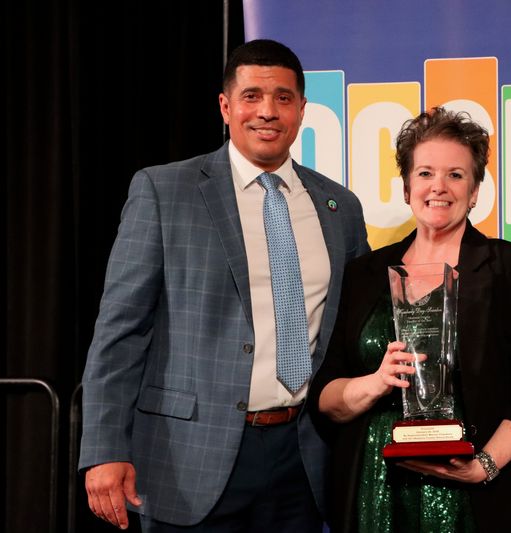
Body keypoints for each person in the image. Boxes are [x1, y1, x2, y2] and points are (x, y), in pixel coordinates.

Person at [79, 39, 369, 532]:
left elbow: (352, 334)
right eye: (252, 96)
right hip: (190, 459)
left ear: (302, 109)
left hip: (304, 460)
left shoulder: (339, 207)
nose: (267, 112)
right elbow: (119, 331)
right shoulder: (164, 191)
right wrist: (105, 448)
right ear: (226, 106)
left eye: (282, 98)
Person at [310, 107, 511, 532]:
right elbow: (325, 395)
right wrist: (377, 381)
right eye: (425, 173)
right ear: (406, 187)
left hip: (475, 492)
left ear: (475, 192)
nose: (439, 186)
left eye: (456, 175)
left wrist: (484, 465)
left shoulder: (510, 267)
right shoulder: (364, 273)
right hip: (376, 490)